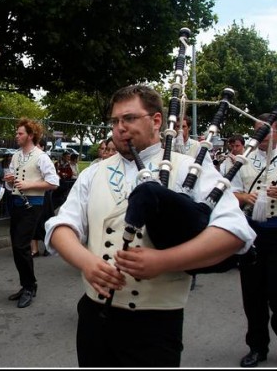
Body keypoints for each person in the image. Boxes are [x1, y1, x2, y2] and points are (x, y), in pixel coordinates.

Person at [44, 84, 256, 367]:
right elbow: (61, 226)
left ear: (157, 121)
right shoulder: (94, 172)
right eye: (115, 121)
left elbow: (235, 231)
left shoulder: (186, 167)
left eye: (129, 118)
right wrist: (86, 262)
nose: (119, 128)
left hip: (155, 325)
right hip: (94, 317)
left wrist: (164, 260)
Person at [229, 114, 277, 367]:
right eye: (259, 130)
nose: (264, 135)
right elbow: (228, 190)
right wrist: (243, 197)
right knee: (253, 295)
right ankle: (257, 347)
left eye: (268, 130)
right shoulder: (243, 159)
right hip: (252, 234)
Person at [4, 117, 59, 308]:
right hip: (17, 203)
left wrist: (29, 184)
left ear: (30, 135)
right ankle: (26, 284)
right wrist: (10, 180)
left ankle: (30, 286)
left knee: (21, 246)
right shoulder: (16, 156)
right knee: (17, 246)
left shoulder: (41, 157)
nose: (16, 136)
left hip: (33, 205)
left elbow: (54, 182)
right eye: (17, 133)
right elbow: (11, 181)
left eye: (20, 133)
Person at [31, 138, 54, 257]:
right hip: (33, 194)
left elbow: (52, 180)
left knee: (45, 221)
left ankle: (48, 248)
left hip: (44, 195)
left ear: (43, 147)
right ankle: (34, 250)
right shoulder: (30, 158)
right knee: (33, 222)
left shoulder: (45, 159)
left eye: (37, 145)